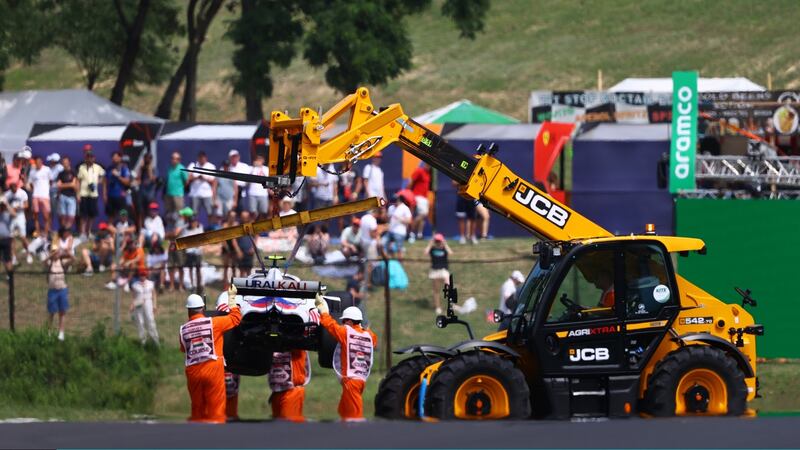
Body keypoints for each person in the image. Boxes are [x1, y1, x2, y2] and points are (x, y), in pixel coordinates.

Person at [180, 286, 241, 423]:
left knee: (197, 409)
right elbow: (236, 318)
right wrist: (232, 299)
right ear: (203, 308)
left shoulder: (183, 329)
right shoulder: (214, 323)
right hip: (212, 367)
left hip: (193, 372)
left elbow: (184, 349)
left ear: (188, 310)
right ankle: (215, 432)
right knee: (216, 409)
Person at [316, 300, 377, 421]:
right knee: (343, 410)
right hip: (360, 380)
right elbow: (372, 338)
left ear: (349, 321)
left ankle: (355, 436)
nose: (342, 323)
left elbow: (331, 325)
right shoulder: (370, 336)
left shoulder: (345, 332)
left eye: (344, 321)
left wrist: (323, 311)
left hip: (351, 381)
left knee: (354, 417)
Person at [215, 292, 241, 421]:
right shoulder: (224, 310)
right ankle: (226, 414)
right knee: (227, 384)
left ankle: (229, 414)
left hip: (232, 353)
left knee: (231, 384)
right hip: (224, 356)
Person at [269, 349, 312, 422]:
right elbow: (272, 337)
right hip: (276, 392)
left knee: (290, 426)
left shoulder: (296, 342)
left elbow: (299, 338)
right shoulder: (274, 341)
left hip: (292, 392)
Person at [45, 237, 73, 341]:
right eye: (53, 251)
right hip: (52, 290)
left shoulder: (62, 261)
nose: (55, 253)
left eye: (56, 251)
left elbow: (73, 259)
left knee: (62, 312)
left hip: (62, 289)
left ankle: (61, 332)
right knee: (51, 312)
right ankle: (48, 331)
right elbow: (44, 261)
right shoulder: (49, 263)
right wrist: (52, 254)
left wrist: (65, 252)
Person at [76, 151, 105, 238]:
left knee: (92, 215)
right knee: (83, 215)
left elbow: (103, 176)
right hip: (83, 193)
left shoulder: (97, 167)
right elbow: (78, 181)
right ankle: (82, 232)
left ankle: (89, 231)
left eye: (91, 157)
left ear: (94, 158)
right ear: (85, 158)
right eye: (88, 157)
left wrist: (98, 182)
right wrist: (77, 194)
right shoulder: (82, 167)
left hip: (93, 194)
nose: (89, 159)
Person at [425, 233, 452, 315]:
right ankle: (438, 307)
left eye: (439, 241)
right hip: (435, 271)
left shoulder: (444, 249)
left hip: (443, 271)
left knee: (449, 288)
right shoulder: (432, 249)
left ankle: (451, 305)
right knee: (436, 291)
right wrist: (430, 244)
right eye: (436, 241)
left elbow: (450, 253)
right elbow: (425, 252)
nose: (437, 242)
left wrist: (445, 244)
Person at [187, 151, 216, 221]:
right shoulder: (193, 165)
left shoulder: (211, 166)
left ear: (206, 158)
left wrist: (204, 178)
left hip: (207, 194)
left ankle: (212, 228)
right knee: (194, 213)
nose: (201, 159)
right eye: (200, 157)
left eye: (203, 157)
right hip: (195, 194)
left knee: (210, 213)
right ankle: (195, 228)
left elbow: (213, 181)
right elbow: (188, 178)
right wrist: (197, 177)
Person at [4, 182, 30, 260]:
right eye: (12, 187)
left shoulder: (22, 193)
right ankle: (13, 257)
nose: (13, 189)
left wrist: (18, 207)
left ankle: (28, 253)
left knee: (23, 237)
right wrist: (10, 210)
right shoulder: (7, 194)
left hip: (20, 216)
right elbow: (4, 206)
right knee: (11, 238)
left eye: (15, 187)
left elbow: (26, 205)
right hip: (10, 217)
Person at [130, 276, 159, 346]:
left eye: (143, 274)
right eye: (141, 274)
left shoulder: (150, 283)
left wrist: (154, 305)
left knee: (150, 320)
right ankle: (143, 341)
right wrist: (132, 304)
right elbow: (133, 296)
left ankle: (155, 341)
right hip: (139, 304)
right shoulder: (135, 285)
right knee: (140, 322)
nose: (142, 276)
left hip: (148, 303)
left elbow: (154, 295)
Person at [28, 155, 52, 236]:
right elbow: (31, 183)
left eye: (39, 162)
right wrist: (35, 190)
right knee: (36, 216)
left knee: (46, 216)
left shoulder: (47, 169)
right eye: (36, 162)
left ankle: (46, 233)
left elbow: (51, 181)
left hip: (45, 196)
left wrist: (46, 190)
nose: (38, 163)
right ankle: (37, 232)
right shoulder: (32, 171)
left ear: (42, 162)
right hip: (36, 195)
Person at [181, 211, 205, 293]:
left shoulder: (200, 228)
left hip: (198, 252)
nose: (193, 223)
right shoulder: (186, 230)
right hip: (189, 252)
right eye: (192, 222)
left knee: (198, 269)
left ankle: (200, 285)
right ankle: (193, 285)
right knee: (191, 269)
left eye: (195, 222)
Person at [134, 152, 158, 229]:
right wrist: (141, 168)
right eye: (145, 158)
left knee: (150, 212)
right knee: (140, 212)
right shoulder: (142, 168)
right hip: (142, 193)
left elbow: (153, 179)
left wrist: (149, 169)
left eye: (148, 158)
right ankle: (141, 229)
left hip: (150, 194)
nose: (147, 160)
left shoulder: (154, 168)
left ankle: (150, 228)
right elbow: (138, 179)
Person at [408, 163, 431, 242]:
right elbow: (411, 180)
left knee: (422, 217)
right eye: (427, 165)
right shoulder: (419, 171)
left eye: (429, 165)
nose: (428, 166)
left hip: (424, 198)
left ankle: (419, 235)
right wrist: (409, 192)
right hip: (417, 196)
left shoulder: (428, 174)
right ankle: (411, 233)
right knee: (422, 214)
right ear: (425, 164)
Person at [384, 194, 412, 259]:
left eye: (395, 201)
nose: (394, 203)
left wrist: (400, 218)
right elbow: (388, 219)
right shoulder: (391, 208)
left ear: (399, 200)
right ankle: (392, 261)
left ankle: (399, 263)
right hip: (390, 231)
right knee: (387, 246)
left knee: (399, 249)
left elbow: (409, 221)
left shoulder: (405, 208)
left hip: (400, 232)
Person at [104, 151, 131, 217]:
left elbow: (127, 182)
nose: (114, 159)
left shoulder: (124, 169)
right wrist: (105, 195)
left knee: (123, 215)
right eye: (113, 158)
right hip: (110, 196)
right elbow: (105, 182)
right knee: (111, 216)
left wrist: (118, 176)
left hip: (120, 196)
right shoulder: (109, 169)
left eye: (116, 157)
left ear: (120, 158)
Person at [56, 156, 78, 231]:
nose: (65, 164)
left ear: (69, 162)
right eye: (63, 162)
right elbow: (59, 186)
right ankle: (64, 231)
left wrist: (64, 185)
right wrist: (70, 184)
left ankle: (67, 230)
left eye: (66, 162)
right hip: (62, 196)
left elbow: (75, 185)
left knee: (71, 216)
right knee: (63, 216)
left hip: (71, 196)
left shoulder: (73, 172)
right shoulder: (60, 174)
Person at [214, 159, 238, 223]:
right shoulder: (218, 174)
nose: (226, 167)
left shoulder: (232, 175)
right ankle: (219, 230)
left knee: (229, 215)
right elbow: (214, 187)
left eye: (227, 165)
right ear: (223, 166)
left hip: (229, 199)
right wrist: (214, 200)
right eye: (225, 165)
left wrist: (235, 201)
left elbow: (236, 188)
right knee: (219, 216)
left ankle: (228, 230)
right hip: (219, 199)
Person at [165, 152, 188, 217]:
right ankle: (170, 227)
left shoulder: (182, 168)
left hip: (178, 194)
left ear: (179, 160)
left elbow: (186, 181)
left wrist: (180, 188)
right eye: (172, 158)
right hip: (169, 194)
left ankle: (180, 227)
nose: (174, 160)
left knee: (180, 212)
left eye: (176, 159)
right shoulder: (169, 168)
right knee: (169, 213)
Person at [0, 199, 14, 273]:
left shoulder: (7, 214)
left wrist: (7, 204)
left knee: (8, 259)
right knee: (4, 259)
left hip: (6, 239)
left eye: (2, 206)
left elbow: (14, 214)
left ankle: (10, 276)